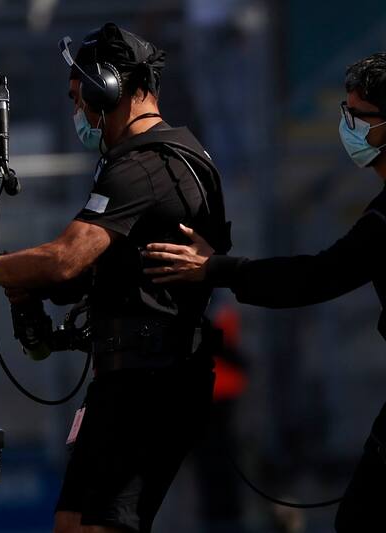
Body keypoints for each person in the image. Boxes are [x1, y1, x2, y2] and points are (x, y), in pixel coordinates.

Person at [0, 23, 230, 533]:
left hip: (153, 381)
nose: (80, 113)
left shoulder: (145, 166)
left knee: (103, 528)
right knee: (73, 523)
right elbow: (82, 271)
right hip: (126, 376)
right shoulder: (148, 160)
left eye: (81, 99)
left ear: (108, 89)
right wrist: (27, 278)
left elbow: (66, 259)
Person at [141, 52, 386, 532]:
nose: (348, 126)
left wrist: (214, 269)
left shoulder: (382, 222)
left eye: (359, 117)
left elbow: (313, 278)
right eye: (344, 112)